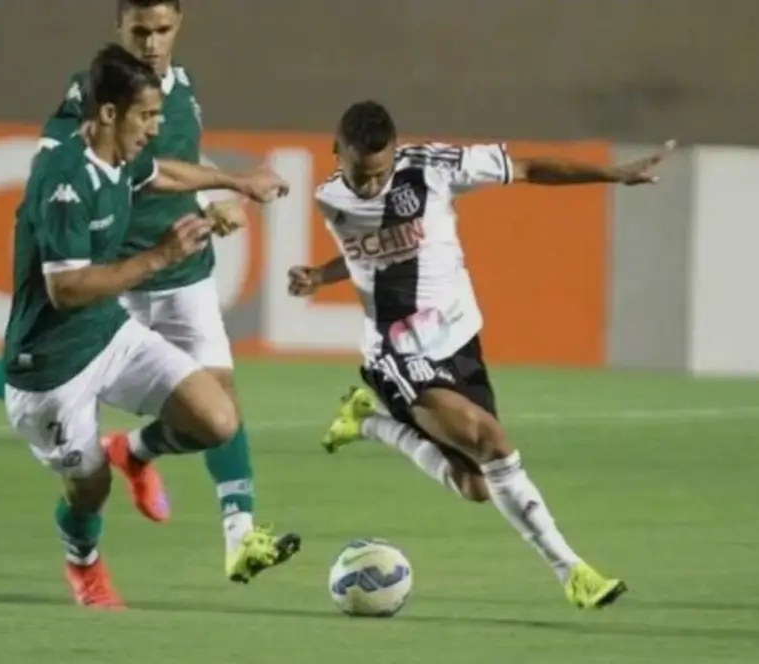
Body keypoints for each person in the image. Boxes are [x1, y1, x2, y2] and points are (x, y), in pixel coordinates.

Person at [0, 0, 300, 583]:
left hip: (179, 271)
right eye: (139, 29)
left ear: (179, 27)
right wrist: (164, 239)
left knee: (218, 408)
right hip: (117, 272)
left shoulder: (177, 92)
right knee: (51, 381)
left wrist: (227, 190)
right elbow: (91, 180)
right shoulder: (87, 106)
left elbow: (155, 171)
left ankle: (228, 528)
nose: (151, 41)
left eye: (162, 28)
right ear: (119, 28)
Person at [288, 99, 675, 609]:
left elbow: (530, 168)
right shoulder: (330, 199)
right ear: (337, 153)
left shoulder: (436, 168)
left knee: (475, 484)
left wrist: (613, 174)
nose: (369, 187)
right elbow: (369, 256)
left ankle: (367, 421)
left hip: (459, 338)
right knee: (493, 444)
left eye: (379, 175)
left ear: (396, 153)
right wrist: (319, 275)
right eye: (360, 176)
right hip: (397, 352)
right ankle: (573, 572)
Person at [3, 43, 293, 607]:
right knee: (90, 492)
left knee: (217, 417)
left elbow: (159, 173)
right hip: (51, 369)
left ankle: (132, 451)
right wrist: (159, 257)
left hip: (108, 334)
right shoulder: (64, 179)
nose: (156, 127)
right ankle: (82, 562)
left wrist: (235, 182)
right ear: (108, 113)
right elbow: (66, 290)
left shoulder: (118, 156)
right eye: (147, 116)